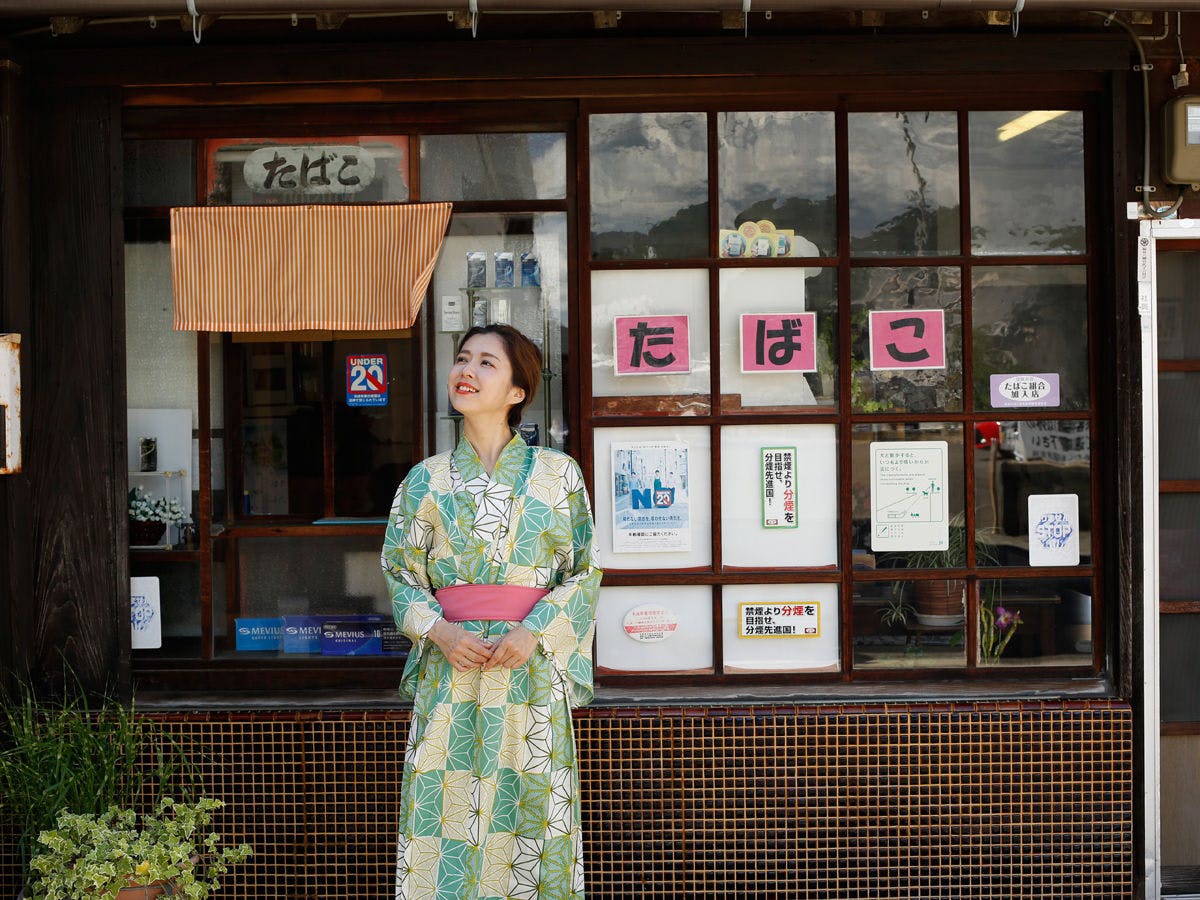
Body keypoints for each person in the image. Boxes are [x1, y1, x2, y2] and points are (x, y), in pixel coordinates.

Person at [381, 323, 602, 900]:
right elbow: (401, 574)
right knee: (444, 817)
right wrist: (440, 631)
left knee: (531, 816)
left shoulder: (560, 475)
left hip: (528, 671)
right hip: (452, 671)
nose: (467, 372)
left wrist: (537, 632)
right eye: (462, 359)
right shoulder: (423, 481)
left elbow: (585, 571)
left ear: (517, 391)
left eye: (486, 364)